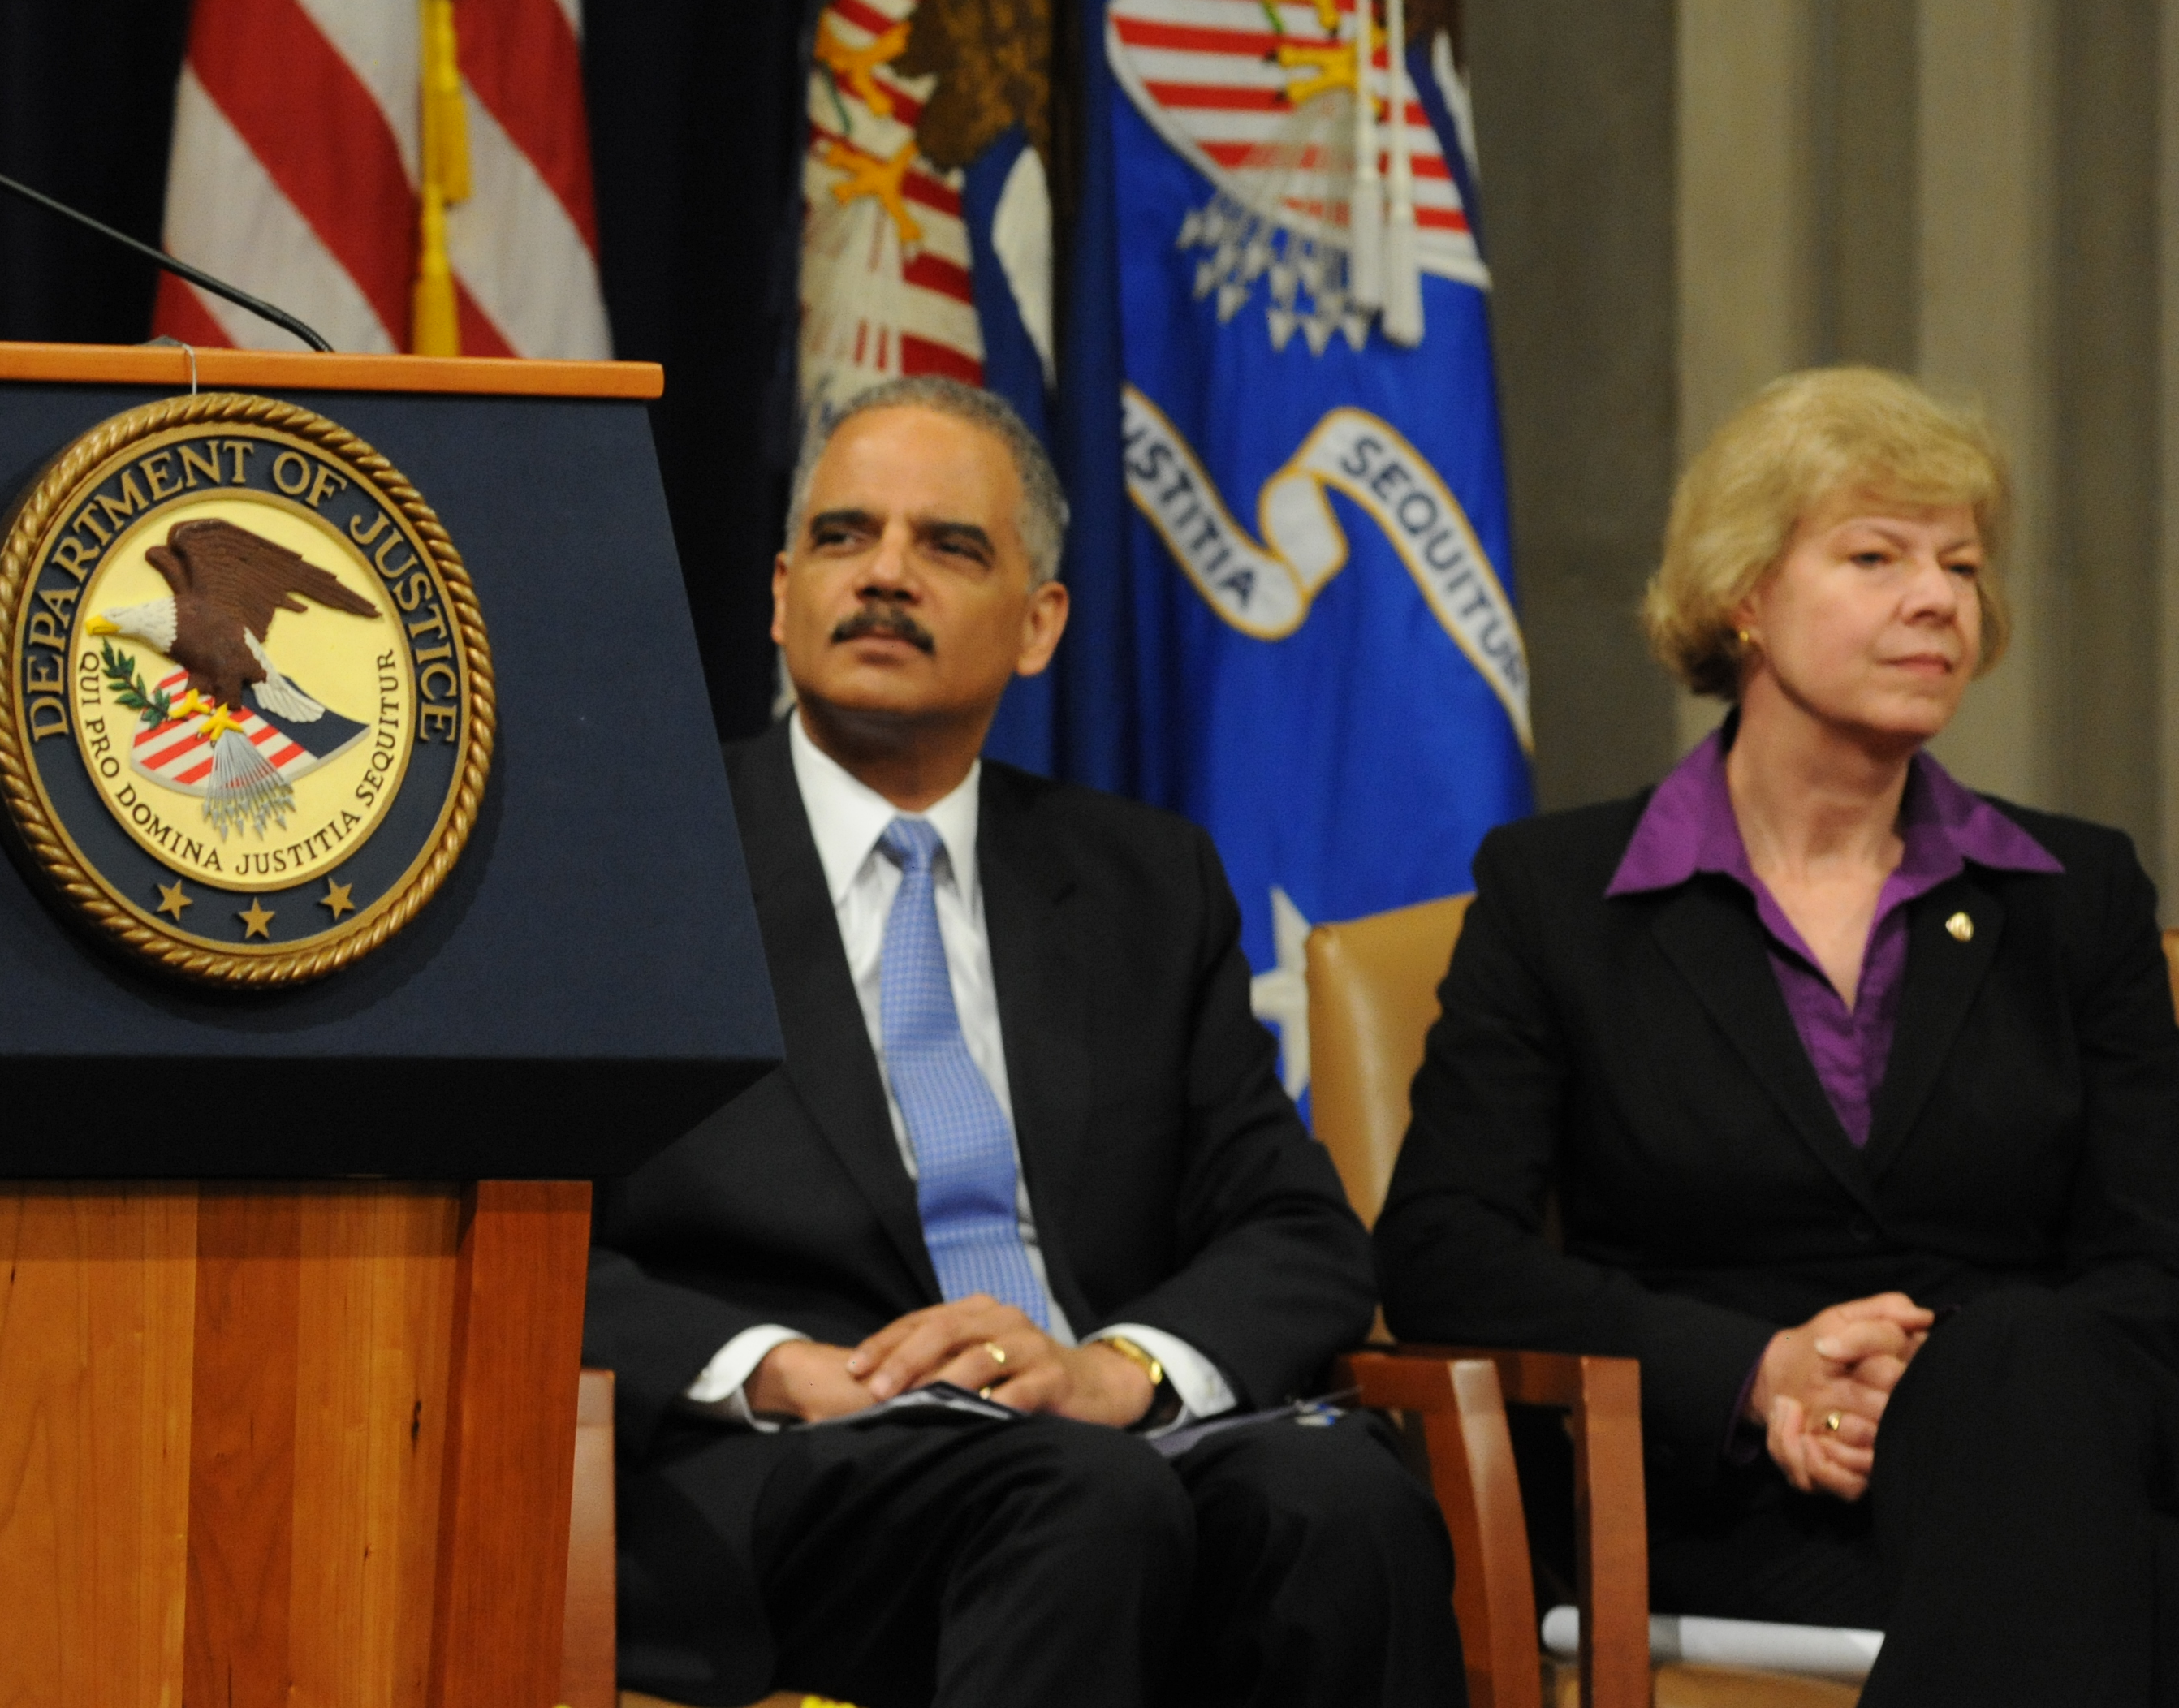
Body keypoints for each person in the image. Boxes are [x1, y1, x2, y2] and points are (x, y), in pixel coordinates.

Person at [587, 376, 1464, 1708]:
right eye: (843, 536)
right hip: (786, 1473)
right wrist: (777, 1369)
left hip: (1088, 1443)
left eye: (948, 546)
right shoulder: (632, 860)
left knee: (1341, 1499)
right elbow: (520, 1234)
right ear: (780, 594)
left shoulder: (1142, 882)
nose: (885, 575)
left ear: (1039, 623)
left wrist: (1120, 1372)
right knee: (1080, 1499)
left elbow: (1295, 1232)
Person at [1378, 366, 2179, 1703]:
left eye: (1961, 566)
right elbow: (1443, 1250)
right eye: (1876, 557)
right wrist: (1758, 1376)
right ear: (1742, 596)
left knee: (2028, 1372)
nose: (1939, 600)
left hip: (2049, 1454)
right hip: (1726, 1506)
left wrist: (1938, 1388)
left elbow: (2155, 1260)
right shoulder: (1559, 897)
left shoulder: (2074, 895)